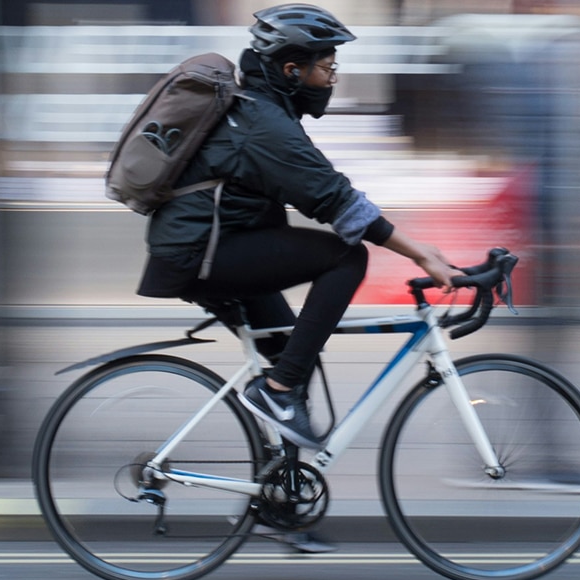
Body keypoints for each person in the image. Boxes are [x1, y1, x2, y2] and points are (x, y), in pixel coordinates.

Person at [136, 4, 461, 450]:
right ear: (292, 69)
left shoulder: (263, 112)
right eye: (326, 66)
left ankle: (283, 495)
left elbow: (321, 192)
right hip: (199, 253)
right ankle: (279, 393)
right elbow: (334, 200)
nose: (333, 77)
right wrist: (420, 253)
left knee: (294, 354)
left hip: (215, 247)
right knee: (347, 256)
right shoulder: (262, 124)